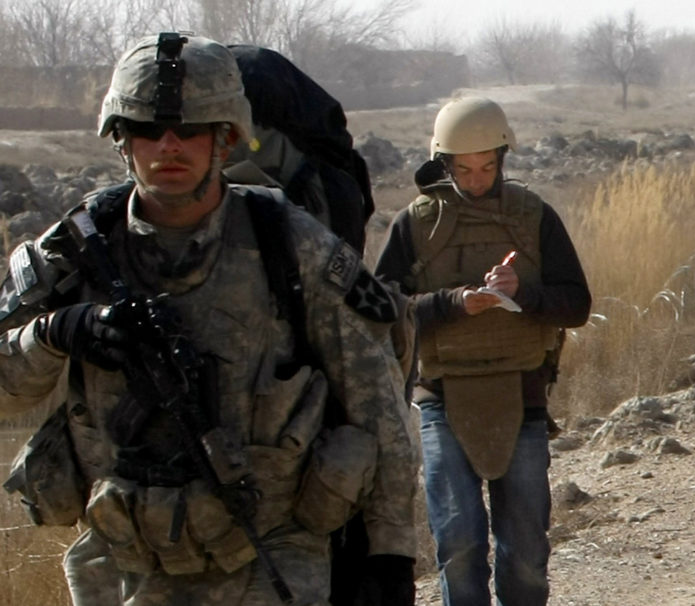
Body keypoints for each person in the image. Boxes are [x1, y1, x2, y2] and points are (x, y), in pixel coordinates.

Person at [0, 33, 418, 605]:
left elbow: (378, 404)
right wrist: (52, 335)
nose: (168, 146)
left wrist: (390, 553)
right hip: (123, 570)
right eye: (148, 129)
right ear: (121, 141)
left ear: (226, 139)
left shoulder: (292, 245)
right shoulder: (75, 251)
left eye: (190, 129)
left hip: (270, 561)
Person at [375, 96, 591, 605]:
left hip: (522, 395)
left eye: (487, 167)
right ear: (443, 163)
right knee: (458, 545)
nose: (475, 180)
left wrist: (523, 293)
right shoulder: (415, 224)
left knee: (526, 553)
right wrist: (453, 304)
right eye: (463, 169)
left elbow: (576, 304)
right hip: (442, 398)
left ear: (503, 159)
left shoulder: (533, 216)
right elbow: (381, 313)